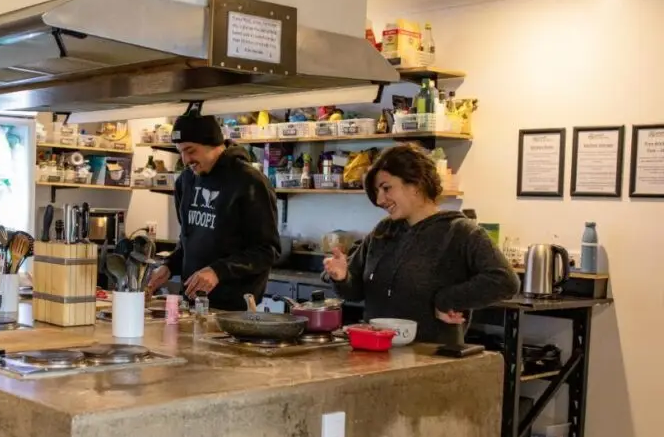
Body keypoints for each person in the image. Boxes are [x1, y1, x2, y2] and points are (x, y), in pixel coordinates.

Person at [323, 143, 519, 345]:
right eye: (377, 191)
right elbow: (354, 292)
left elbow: (505, 281)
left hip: (432, 361)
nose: (380, 199)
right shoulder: (383, 231)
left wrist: (446, 300)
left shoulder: (460, 231)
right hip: (378, 354)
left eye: (386, 188)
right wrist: (342, 277)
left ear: (416, 185)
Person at [145, 112, 281, 311]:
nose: (185, 159)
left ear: (214, 144)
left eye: (191, 151)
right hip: (192, 305)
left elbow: (267, 250)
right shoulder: (186, 181)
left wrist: (217, 271)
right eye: (180, 151)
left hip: (234, 310)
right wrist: (169, 266)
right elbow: (189, 240)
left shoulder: (249, 182)